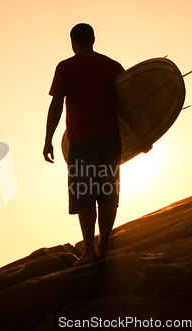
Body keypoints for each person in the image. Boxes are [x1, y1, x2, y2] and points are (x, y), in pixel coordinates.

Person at [43, 23, 124, 266]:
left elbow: (56, 105)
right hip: (111, 140)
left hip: (82, 141)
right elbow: (130, 102)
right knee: (108, 194)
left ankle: (89, 250)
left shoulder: (66, 67)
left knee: (85, 197)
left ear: (73, 42)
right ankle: (105, 246)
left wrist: (48, 139)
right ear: (94, 39)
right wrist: (144, 138)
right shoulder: (113, 66)